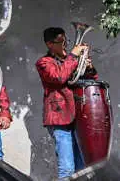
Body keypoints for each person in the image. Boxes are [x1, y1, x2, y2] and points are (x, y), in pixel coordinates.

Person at [36, 26, 97, 178]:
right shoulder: (43, 63)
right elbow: (58, 77)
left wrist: (88, 67)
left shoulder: (70, 61)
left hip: (79, 116)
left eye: (66, 40)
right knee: (67, 168)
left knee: (82, 167)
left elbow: (90, 80)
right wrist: (74, 57)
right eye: (61, 41)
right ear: (49, 44)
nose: (65, 44)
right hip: (59, 118)